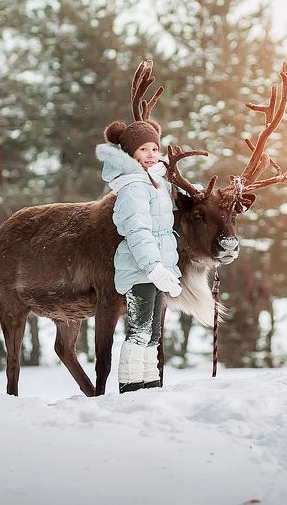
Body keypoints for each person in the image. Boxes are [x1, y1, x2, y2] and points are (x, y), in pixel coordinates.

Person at [96, 118, 183, 393]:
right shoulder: (133, 187)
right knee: (140, 331)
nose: (151, 155)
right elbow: (138, 232)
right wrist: (154, 267)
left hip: (157, 267)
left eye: (154, 149)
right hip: (141, 269)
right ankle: (131, 384)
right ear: (130, 153)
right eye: (143, 150)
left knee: (153, 335)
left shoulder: (154, 183)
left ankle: (149, 382)